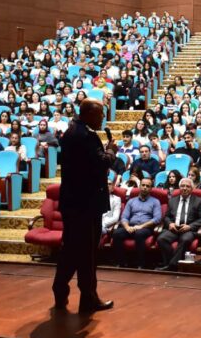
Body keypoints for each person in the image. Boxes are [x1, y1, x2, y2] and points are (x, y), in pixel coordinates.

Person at [52, 98, 116, 314]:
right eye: (100, 114)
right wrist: (111, 151)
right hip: (85, 204)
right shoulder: (84, 136)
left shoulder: (72, 131)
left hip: (74, 202)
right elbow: (100, 164)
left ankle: (63, 290)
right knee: (86, 254)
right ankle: (87, 298)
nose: (103, 118)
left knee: (71, 250)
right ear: (88, 113)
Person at [156, 178, 201, 270]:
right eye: (182, 186)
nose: (185, 188)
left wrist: (189, 226)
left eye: (187, 186)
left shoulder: (199, 201)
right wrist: (170, 224)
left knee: (185, 239)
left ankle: (171, 266)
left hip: (188, 229)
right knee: (161, 239)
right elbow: (166, 216)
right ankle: (172, 263)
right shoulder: (172, 200)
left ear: (192, 188)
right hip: (174, 228)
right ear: (179, 188)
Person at [112, 176, 162, 268]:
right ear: (139, 186)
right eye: (143, 185)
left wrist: (141, 226)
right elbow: (124, 217)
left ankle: (141, 264)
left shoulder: (155, 202)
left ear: (151, 188)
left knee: (139, 234)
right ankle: (122, 262)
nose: (145, 187)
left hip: (145, 228)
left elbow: (157, 219)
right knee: (117, 234)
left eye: (147, 186)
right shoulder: (131, 201)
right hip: (130, 226)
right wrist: (127, 227)